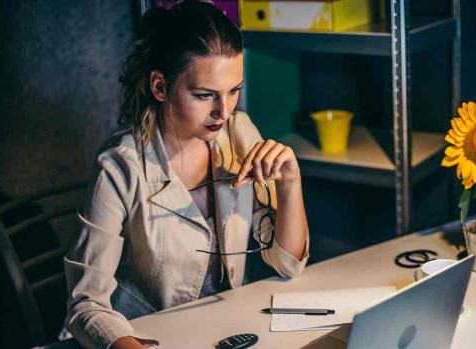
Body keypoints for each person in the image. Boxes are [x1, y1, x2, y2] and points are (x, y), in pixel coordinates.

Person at [63, 1, 310, 348]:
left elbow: (287, 264)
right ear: (161, 87)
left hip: (223, 331)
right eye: (204, 95)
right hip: (146, 338)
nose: (224, 112)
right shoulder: (120, 166)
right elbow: (86, 304)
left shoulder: (240, 132)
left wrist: (289, 184)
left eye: (233, 91)